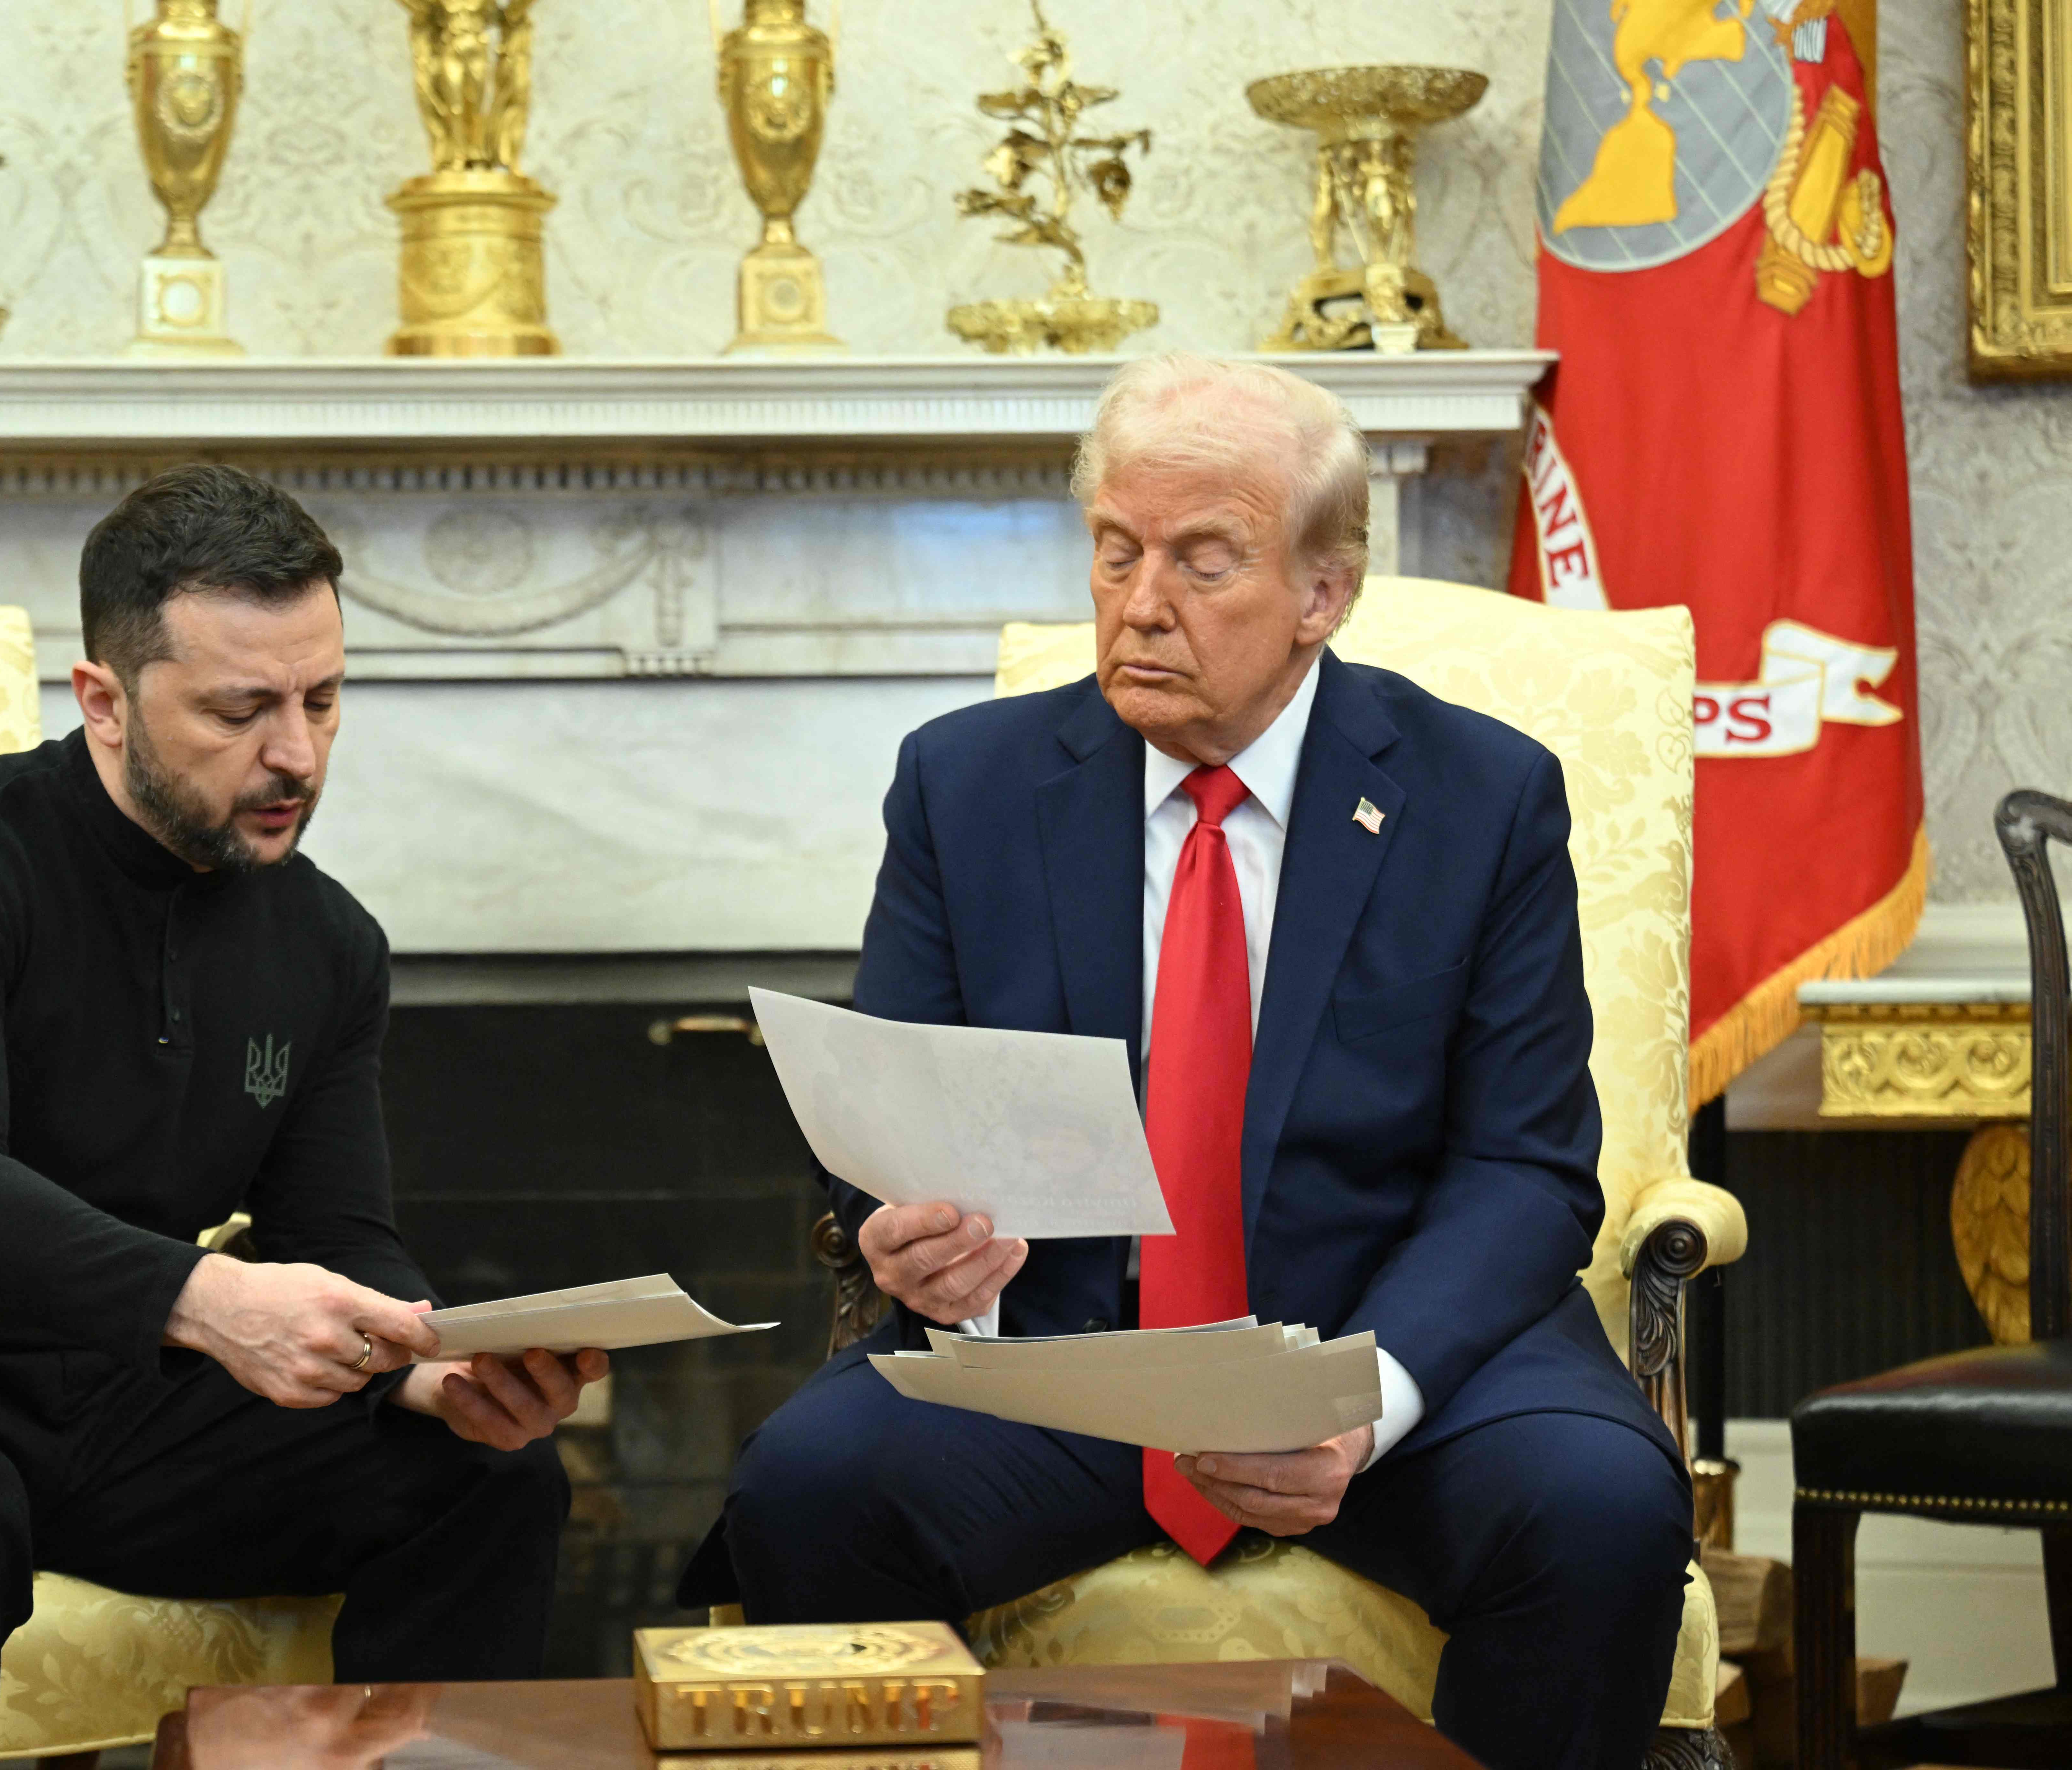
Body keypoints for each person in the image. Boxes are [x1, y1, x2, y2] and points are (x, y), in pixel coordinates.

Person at [680, 354, 1693, 1770]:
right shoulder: (965, 785)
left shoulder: (1482, 795)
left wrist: (1365, 1399)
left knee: (1599, 1505)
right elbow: (885, 1114)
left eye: (1203, 561)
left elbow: (1525, 1170)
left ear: (1322, 594)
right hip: (1073, 1358)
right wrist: (909, 1242)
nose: (1140, 602)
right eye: (1116, 551)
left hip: (1395, 1353)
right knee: (809, 1485)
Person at [0, 464, 603, 1770]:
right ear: (103, 698)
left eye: (322, 698)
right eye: (239, 709)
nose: (298, 755)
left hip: (101, 1393)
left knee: (485, 1476)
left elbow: (340, 1229)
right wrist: (210, 1300)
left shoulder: (327, 941)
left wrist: (429, 1368)